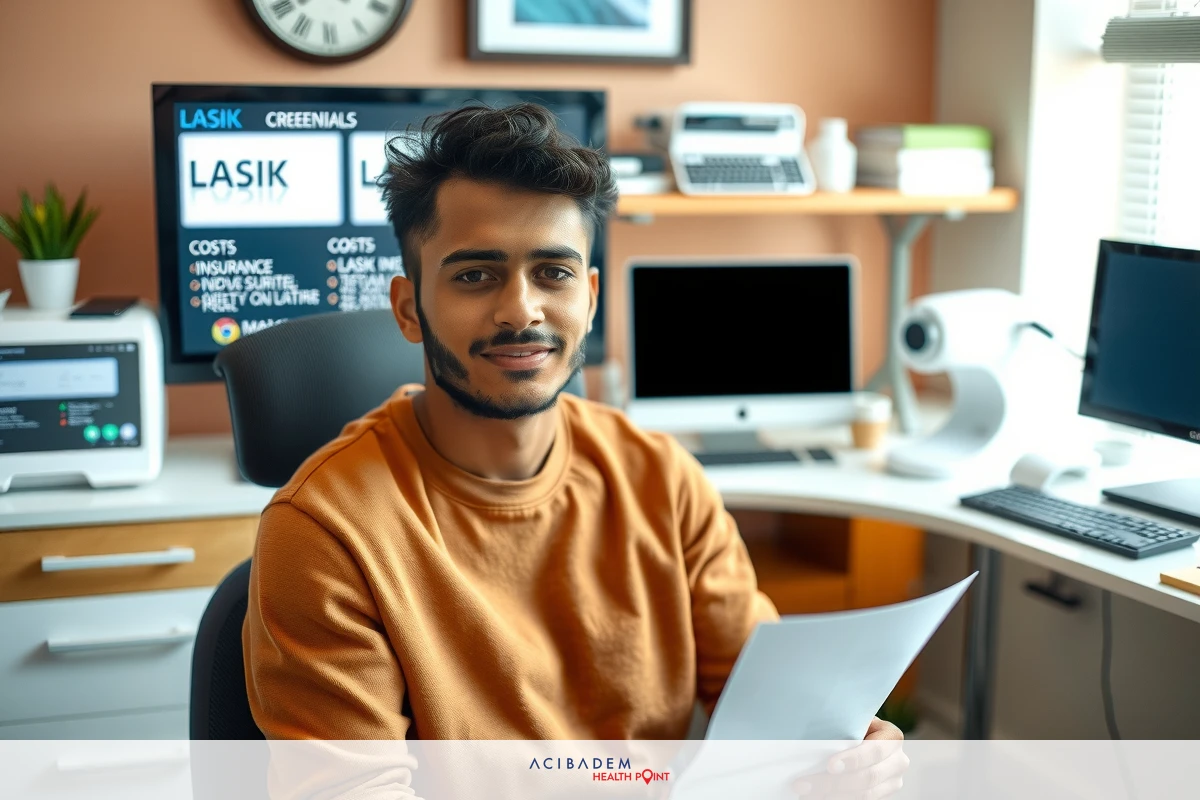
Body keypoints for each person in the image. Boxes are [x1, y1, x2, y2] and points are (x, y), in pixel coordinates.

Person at [243, 103, 907, 796]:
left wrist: (836, 750)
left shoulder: (663, 477)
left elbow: (770, 706)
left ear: (589, 298)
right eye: (475, 274)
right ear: (410, 308)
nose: (521, 311)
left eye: (553, 274)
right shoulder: (323, 534)